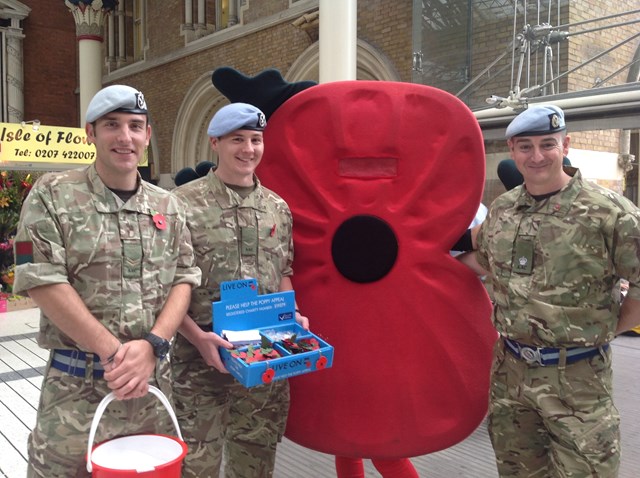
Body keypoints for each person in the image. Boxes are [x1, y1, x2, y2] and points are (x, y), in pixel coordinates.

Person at [12, 84, 201, 477]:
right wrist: (115, 354)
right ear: (90, 133)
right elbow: (38, 276)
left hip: (151, 394)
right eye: (112, 125)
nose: (124, 137)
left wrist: (153, 344)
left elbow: (185, 277)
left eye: (135, 126)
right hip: (74, 397)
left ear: (147, 135)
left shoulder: (170, 206)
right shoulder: (51, 196)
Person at [463, 104, 640, 476]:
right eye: (525, 146)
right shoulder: (503, 210)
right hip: (511, 374)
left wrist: (610, 328)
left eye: (548, 144)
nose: (537, 155)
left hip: (579, 379)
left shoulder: (609, 213)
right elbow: (482, 262)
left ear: (566, 144)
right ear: (512, 150)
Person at [171, 102, 309, 478]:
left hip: (262, 359)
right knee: (196, 466)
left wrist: (290, 315)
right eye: (238, 139)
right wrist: (198, 337)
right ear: (214, 143)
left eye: (256, 139)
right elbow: (166, 285)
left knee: (256, 462)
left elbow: (283, 271)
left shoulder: (277, 208)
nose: (249, 149)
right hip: (199, 363)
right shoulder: (182, 204)